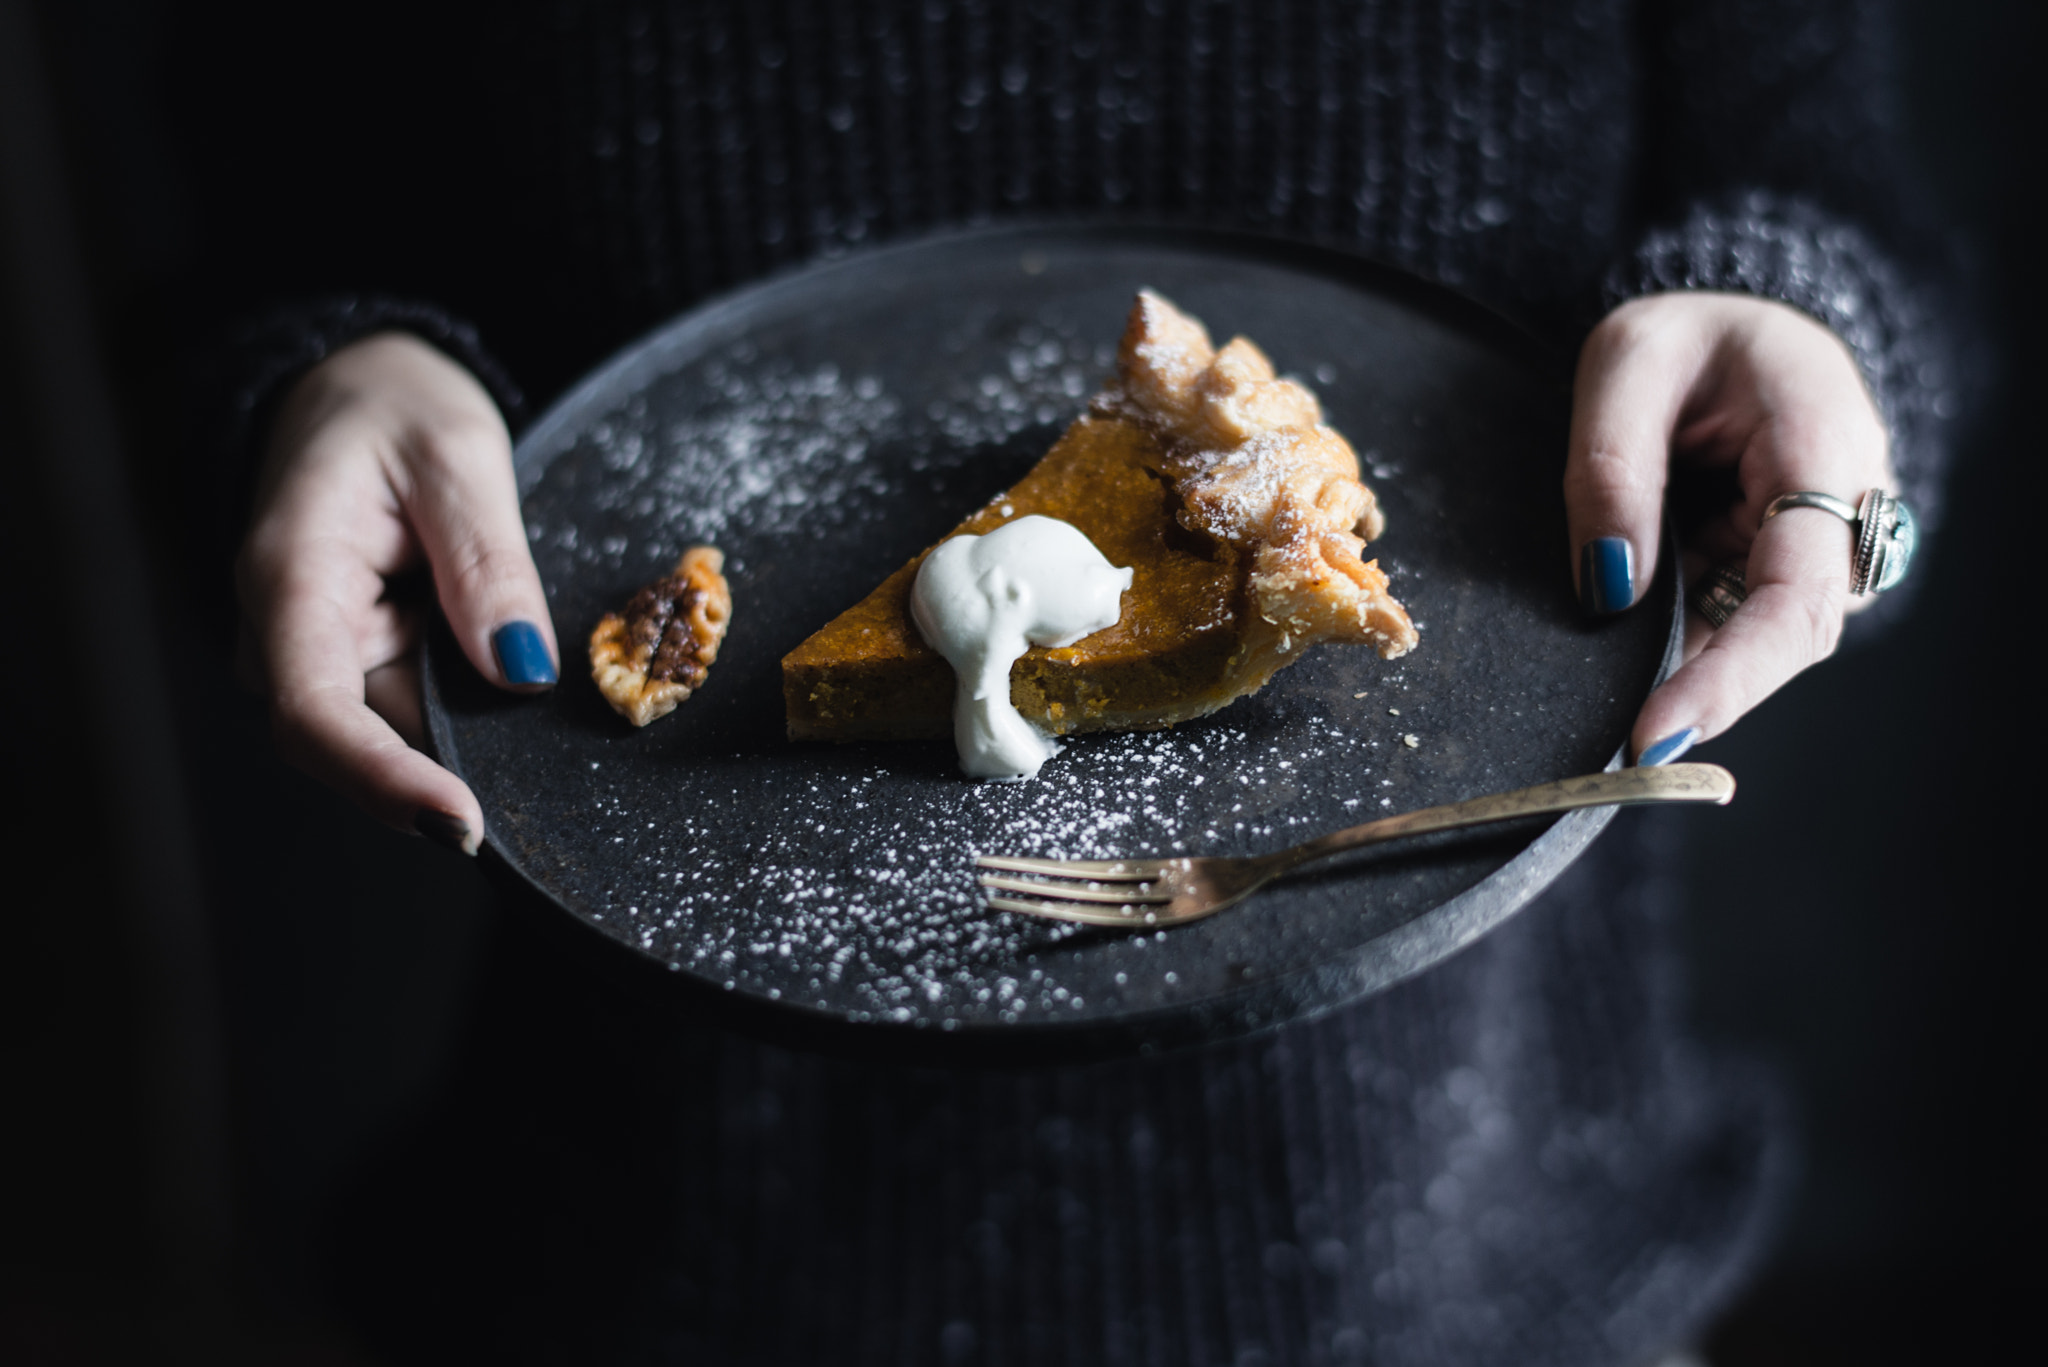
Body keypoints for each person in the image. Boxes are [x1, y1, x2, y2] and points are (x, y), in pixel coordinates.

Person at [206, 1, 1954, 1361]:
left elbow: (1834, 190)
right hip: (639, 1256)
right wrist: (316, 372)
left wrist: (1808, 342)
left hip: (1498, 1261)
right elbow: (279, 183)